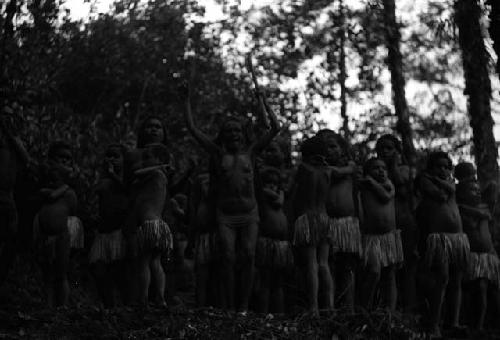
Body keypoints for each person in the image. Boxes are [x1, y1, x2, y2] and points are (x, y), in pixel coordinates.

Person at [182, 83, 280, 313]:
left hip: (249, 213)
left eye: (237, 130)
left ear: (242, 134)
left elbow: (275, 127)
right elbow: (193, 129)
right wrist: (186, 101)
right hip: (225, 215)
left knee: (248, 255)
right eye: (229, 131)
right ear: (223, 136)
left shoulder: (251, 152)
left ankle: (243, 307)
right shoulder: (217, 154)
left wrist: (263, 101)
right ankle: (228, 306)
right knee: (227, 257)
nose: (234, 134)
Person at [416, 151, 469, 337]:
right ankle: (434, 324)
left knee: (456, 279)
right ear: (430, 167)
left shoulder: (448, 182)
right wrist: (440, 182)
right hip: (439, 238)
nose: (443, 169)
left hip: (458, 237)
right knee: (443, 277)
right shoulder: (424, 180)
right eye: (438, 166)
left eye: (447, 167)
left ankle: (452, 322)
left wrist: (441, 181)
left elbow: (451, 190)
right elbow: (439, 195)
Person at [317, 129, 362, 312]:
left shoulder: (350, 166)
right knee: (329, 264)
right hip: (326, 222)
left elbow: (347, 172)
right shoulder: (318, 168)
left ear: (342, 148)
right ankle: (329, 306)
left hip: (348, 223)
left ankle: (348, 308)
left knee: (348, 265)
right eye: (325, 148)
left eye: (333, 146)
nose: (329, 151)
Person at [125, 143, 173, 307]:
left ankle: (145, 298)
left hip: (151, 226)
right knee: (154, 262)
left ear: (159, 160)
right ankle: (159, 298)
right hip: (156, 226)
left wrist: (158, 166)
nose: (143, 161)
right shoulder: (152, 178)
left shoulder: (159, 174)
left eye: (147, 158)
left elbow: (136, 172)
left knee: (145, 262)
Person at [291, 136, 334, 316]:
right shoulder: (328, 171)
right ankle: (330, 306)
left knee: (311, 264)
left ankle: (314, 307)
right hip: (324, 218)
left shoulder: (303, 169)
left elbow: (290, 190)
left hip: (307, 218)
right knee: (324, 263)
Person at [375, 134, 417, 312]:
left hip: (405, 224)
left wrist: (393, 163)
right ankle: (388, 310)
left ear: (397, 150)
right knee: (386, 269)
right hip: (383, 228)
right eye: (381, 148)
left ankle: (409, 309)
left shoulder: (407, 170)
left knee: (407, 268)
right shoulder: (376, 171)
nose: (384, 151)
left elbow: (400, 181)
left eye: (389, 148)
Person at [34, 142, 79, 307]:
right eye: (62, 158)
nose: (65, 162)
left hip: (61, 236)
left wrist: (65, 187)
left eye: (69, 159)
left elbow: (73, 214)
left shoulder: (70, 193)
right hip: (45, 236)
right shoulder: (44, 189)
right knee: (47, 274)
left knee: (61, 274)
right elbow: (46, 197)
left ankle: (63, 307)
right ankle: (48, 306)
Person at [456, 165, 500, 331]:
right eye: (472, 190)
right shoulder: (459, 208)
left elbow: (493, 187)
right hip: (474, 256)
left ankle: (494, 326)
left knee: (495, 292)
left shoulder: (483, 207)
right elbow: (473, 223)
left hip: (489, 256)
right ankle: (478, 327)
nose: (477, 192)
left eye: (477, 189)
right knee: (480, 289)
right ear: (462, 193)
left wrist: (472, 179)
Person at [359, 158, 403, 312]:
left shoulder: (389, 185)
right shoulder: (363, 188)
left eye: (383, 167)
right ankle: (365, 309)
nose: (381, 171)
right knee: (374, 272)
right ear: (367, 173)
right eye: (375, 168)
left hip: (389, 237)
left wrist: (371, 182)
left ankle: (390, 313)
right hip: (371, 237)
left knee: (390, 276)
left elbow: (385, 196)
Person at [89, 144, 128, 307]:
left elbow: (127, 190)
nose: (111, 159)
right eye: (109, 156)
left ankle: (124, 308)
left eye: (116, 156)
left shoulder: (127, 178)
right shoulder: (102, 180)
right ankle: (108, 306)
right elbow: (93, 199)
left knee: (119, 272)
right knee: (99, 270)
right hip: (102, 231)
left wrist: (113, 174)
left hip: (120, 231)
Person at [255, 166, 293, 313]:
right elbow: (277, 200)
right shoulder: (264, 195)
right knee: (265, 281)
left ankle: (279, 314)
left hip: (281, 245)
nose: (272, 186)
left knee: (278, 283)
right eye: (268, 183)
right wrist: (279, 192)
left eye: (275, 183)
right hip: (266, 242)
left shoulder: (279, 195)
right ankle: (263, 314)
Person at [0, 109, 31, 286]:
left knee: (10, 239)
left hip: (8, 198)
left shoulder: (14, 143)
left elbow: (27, 160)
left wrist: (11, 134)